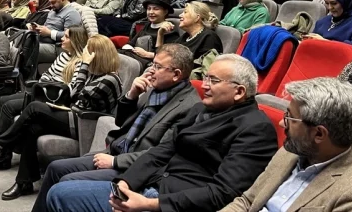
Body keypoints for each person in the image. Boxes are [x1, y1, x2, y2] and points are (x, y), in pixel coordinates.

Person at [46, 54, 278, 212]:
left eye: (214, 80)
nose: (204, 85)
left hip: (173, 203)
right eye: (205, 77)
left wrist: (150, 204)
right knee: (61, 190)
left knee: (61, 195)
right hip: (151, 186)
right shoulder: (201, 109)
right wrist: (125, 183)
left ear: (239, 92)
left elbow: (223, 194)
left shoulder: (255, 128)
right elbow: (159, 153)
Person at [32, 44, 201, 212]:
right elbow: (120, 122)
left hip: (135, 167)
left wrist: (114, 161)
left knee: (66, 182)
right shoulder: (155, 88)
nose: (151, 70)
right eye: (152, 64)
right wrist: (132, 94)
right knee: (55, 168)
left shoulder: (189, 107)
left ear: (176, 74)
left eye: (157, 66)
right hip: (116, 151)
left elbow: (161, 154)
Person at [0, 35, 122, 201]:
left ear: (98, 55)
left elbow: (76, 95)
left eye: (88, 52)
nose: (84, 55)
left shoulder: (109, 79)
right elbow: (75, 96)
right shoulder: (95, 74)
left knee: (34, 108)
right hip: (73, 117)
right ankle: (23, 182)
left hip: (85, 125)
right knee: (33, 128)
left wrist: (84, 65)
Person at [221, 77, 352, 211]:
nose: (281, 123)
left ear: (319, 133)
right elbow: (247, 202)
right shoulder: (291, 151)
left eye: (290, 118)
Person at [0, 26, 89, 171]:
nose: (62, 38)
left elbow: (72, 89)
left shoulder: (79, 62)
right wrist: (43, 85)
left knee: (9, 107)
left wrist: (48, 87)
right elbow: (48, 74)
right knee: (3, 100)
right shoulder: (64, 55)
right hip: (42, 92)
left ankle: (0, 156)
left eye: (66, 37)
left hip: (55, 99)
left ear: (75, 41)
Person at [119, 0, 177, 69]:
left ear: (165, 11)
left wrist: (146, 54)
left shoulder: (170, 30)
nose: (151, 12)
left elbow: (167, 57)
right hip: (134, 58)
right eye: (149, 9)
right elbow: (130, 44)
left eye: (156, 9)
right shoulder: (147, 25)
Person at [33, 0, 82, 64]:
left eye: (53, 3)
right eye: (50, 3)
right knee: (22, 41)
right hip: (42, 41)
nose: (51, 6)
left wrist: (49, 33)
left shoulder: (72, 13)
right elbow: (47, 26)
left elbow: (70, 35)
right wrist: (39, 28)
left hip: (57, 47)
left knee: (29, 48)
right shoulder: (53, 11)